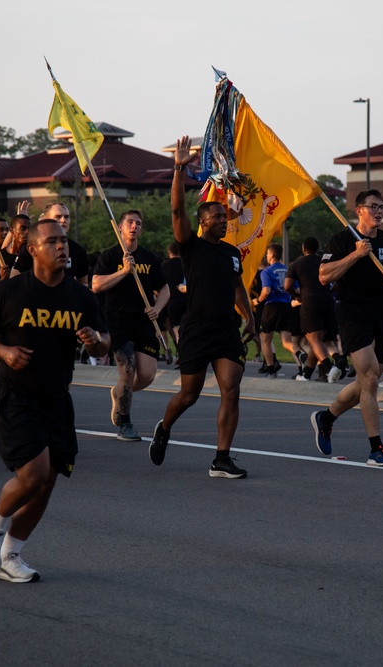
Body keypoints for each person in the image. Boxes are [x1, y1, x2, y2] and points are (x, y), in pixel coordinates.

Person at [0, 219, 109, 582]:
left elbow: (104, 342)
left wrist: (94, 339)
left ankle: (11, 555)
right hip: (16, 394)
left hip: (56, 397)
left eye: (64, 241)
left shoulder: (81, 297)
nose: (62, 247)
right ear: (32, 249)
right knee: (33, 474)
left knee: (48, 481)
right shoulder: (9, 292)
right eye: (52, 242)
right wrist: (3, 351)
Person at [148, 137, 256, 478]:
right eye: (218, 217)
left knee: (232, 389)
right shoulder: (190, 247)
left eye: (225, 216)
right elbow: (177, 210)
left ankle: (221, 459)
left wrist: (250, 318)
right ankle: (164, 428)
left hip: (226, 330)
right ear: (204, 222)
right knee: (189, 394)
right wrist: (179, 169)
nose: (225, 220)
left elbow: (238, 285)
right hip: (197, 328)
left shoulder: (231, 253)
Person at [310, 189, 383, 467]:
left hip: (379, 313)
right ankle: (376, 449)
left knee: (364, 382)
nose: (379, 211)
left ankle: (326, 418)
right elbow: (324, 276)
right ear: (359, 210)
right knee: (371, 379)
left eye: (381, 206)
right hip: (350, 311)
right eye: (373, 206)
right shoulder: (343, 239)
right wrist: (356, 255)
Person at [92, 209, 169, 441]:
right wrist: (125, 271)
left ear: (141, 230)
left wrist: (157, 308)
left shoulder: (149, 257)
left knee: (146, 375)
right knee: (128, 369)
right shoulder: (110, 256)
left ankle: (119, 393)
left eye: (138, 223)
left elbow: (165, 289)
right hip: (118, 319)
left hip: (143, 320)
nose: (134, 226)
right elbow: (96, 285)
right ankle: (125, 423)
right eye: (129, 222)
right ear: (120, 227)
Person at [285, 236, 343, 382]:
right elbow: (337, 280)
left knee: (314, 340)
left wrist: (296, 295)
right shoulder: (323, 262)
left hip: (310, 301)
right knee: (317, 342)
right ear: (317, 248)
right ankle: (306, 375)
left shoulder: (297, 263)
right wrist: (331, 292)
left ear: (303, 248)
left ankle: (330, 368)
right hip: (328, 301)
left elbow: (287, 285)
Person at [9, 202, 89, 285]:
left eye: (66, 217)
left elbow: (83, 282)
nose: (63, 220)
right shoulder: (31, 248)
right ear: (45, 219)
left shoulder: (79, 251)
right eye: (58, 217)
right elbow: (13, 281)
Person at [253, 243, 295, 378]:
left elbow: (266, 291)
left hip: (272, 306)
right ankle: (300, 354)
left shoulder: (267, 271)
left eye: (267, 254)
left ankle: (271, 370)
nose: (266, 256)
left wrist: (258, 301)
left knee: (265, 339)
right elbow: (297, 290)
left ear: (271, 255)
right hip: (287, 306)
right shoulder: (288, 269)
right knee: (287, 341)